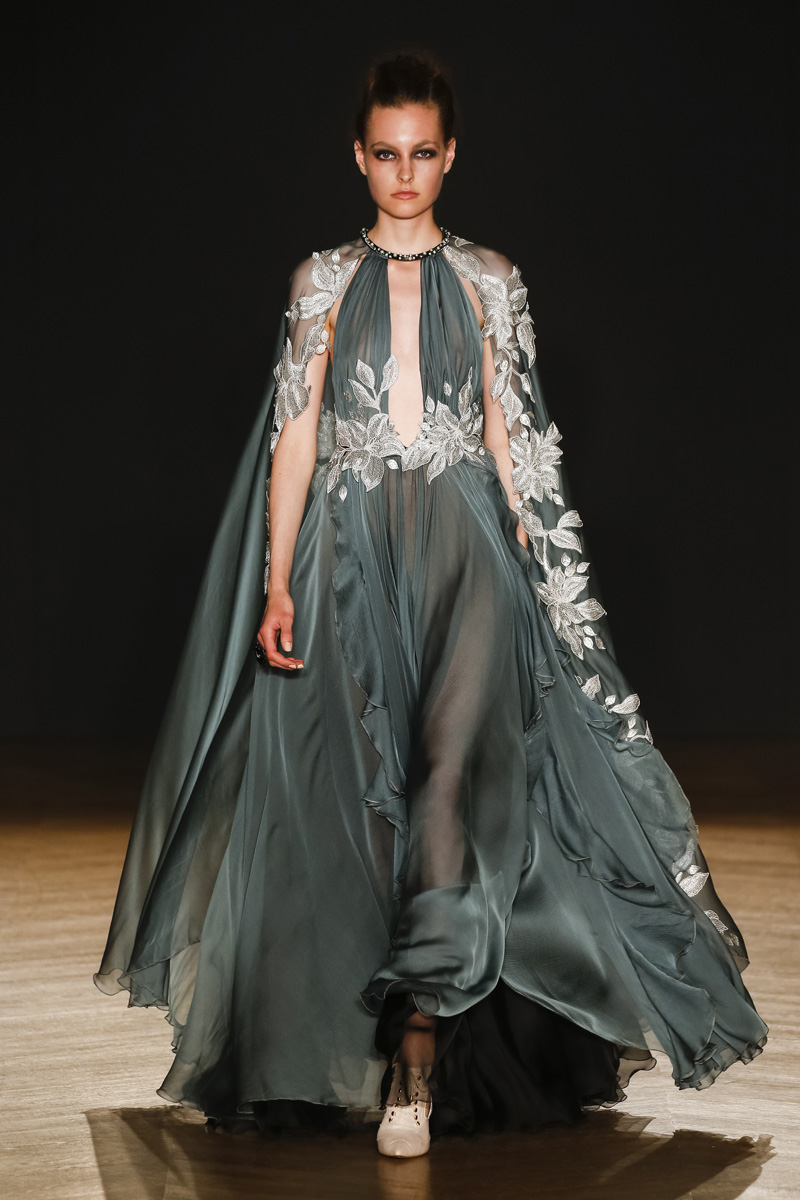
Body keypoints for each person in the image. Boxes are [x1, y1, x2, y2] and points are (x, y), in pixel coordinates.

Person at [93, 49, 768, 1160]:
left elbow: (511, 433)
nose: (403, 174)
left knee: (451, 784)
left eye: (421, 154)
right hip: (349, 559)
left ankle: (415, 1060)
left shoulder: (493, 279)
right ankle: (368, 1047)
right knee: (366, 811)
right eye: (384, 154)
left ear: (450, 156)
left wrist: (537, 560)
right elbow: (296, 436)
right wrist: (276, 578)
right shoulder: (318, 282)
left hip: (465, 557)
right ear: (358, 158)